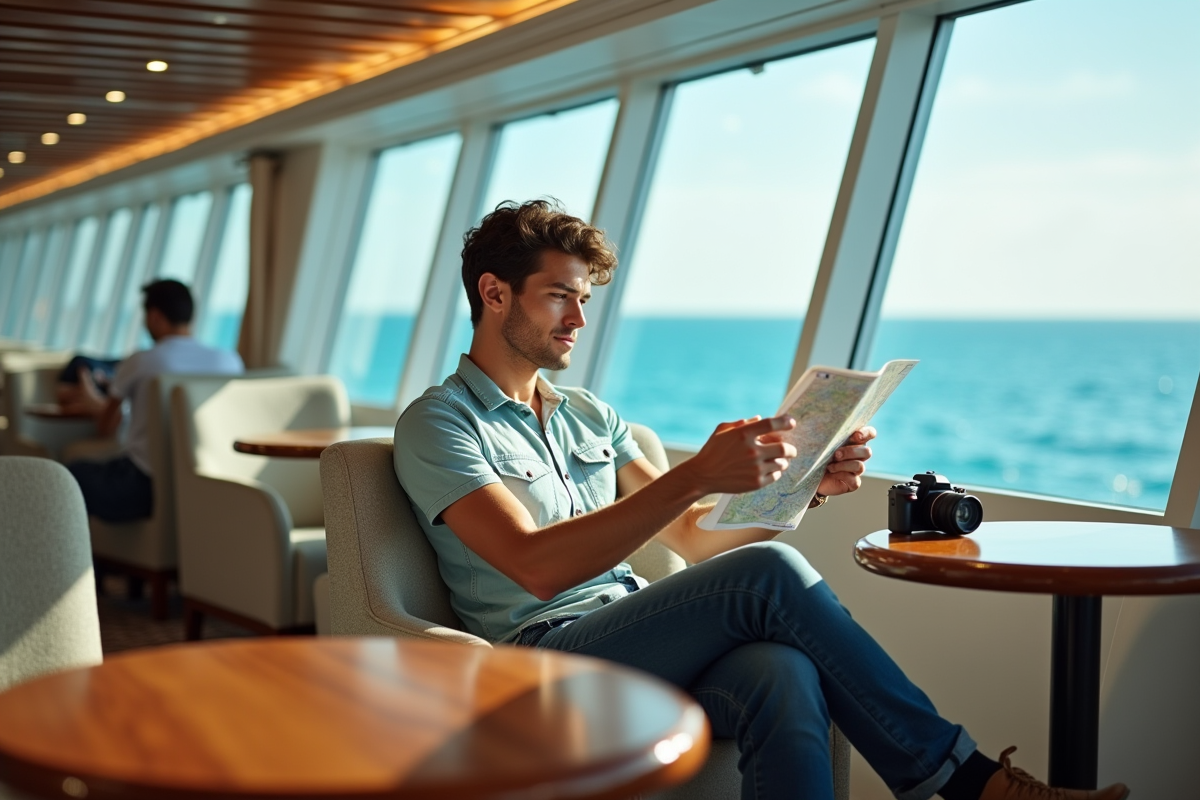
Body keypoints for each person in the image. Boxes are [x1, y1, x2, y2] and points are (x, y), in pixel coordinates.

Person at [393, 200, 1128, 800]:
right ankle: (969, 781)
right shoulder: (438, 422)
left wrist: (804, 492)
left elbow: (691, 536)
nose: (579, 321)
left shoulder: (590, 415)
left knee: (783, 671)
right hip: (539, 665)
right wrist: (697, 473)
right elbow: (534, 566)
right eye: (560, 296)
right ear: (494, 294)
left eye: (584, 300)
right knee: (772, 575)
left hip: (627, 636)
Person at [65, 279, 244, 522]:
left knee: (67, 475)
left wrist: (91, 399)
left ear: (155, 317)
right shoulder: (230, 362)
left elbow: (107, 427)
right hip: (207, 479)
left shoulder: (142, 361)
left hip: (142, 485)